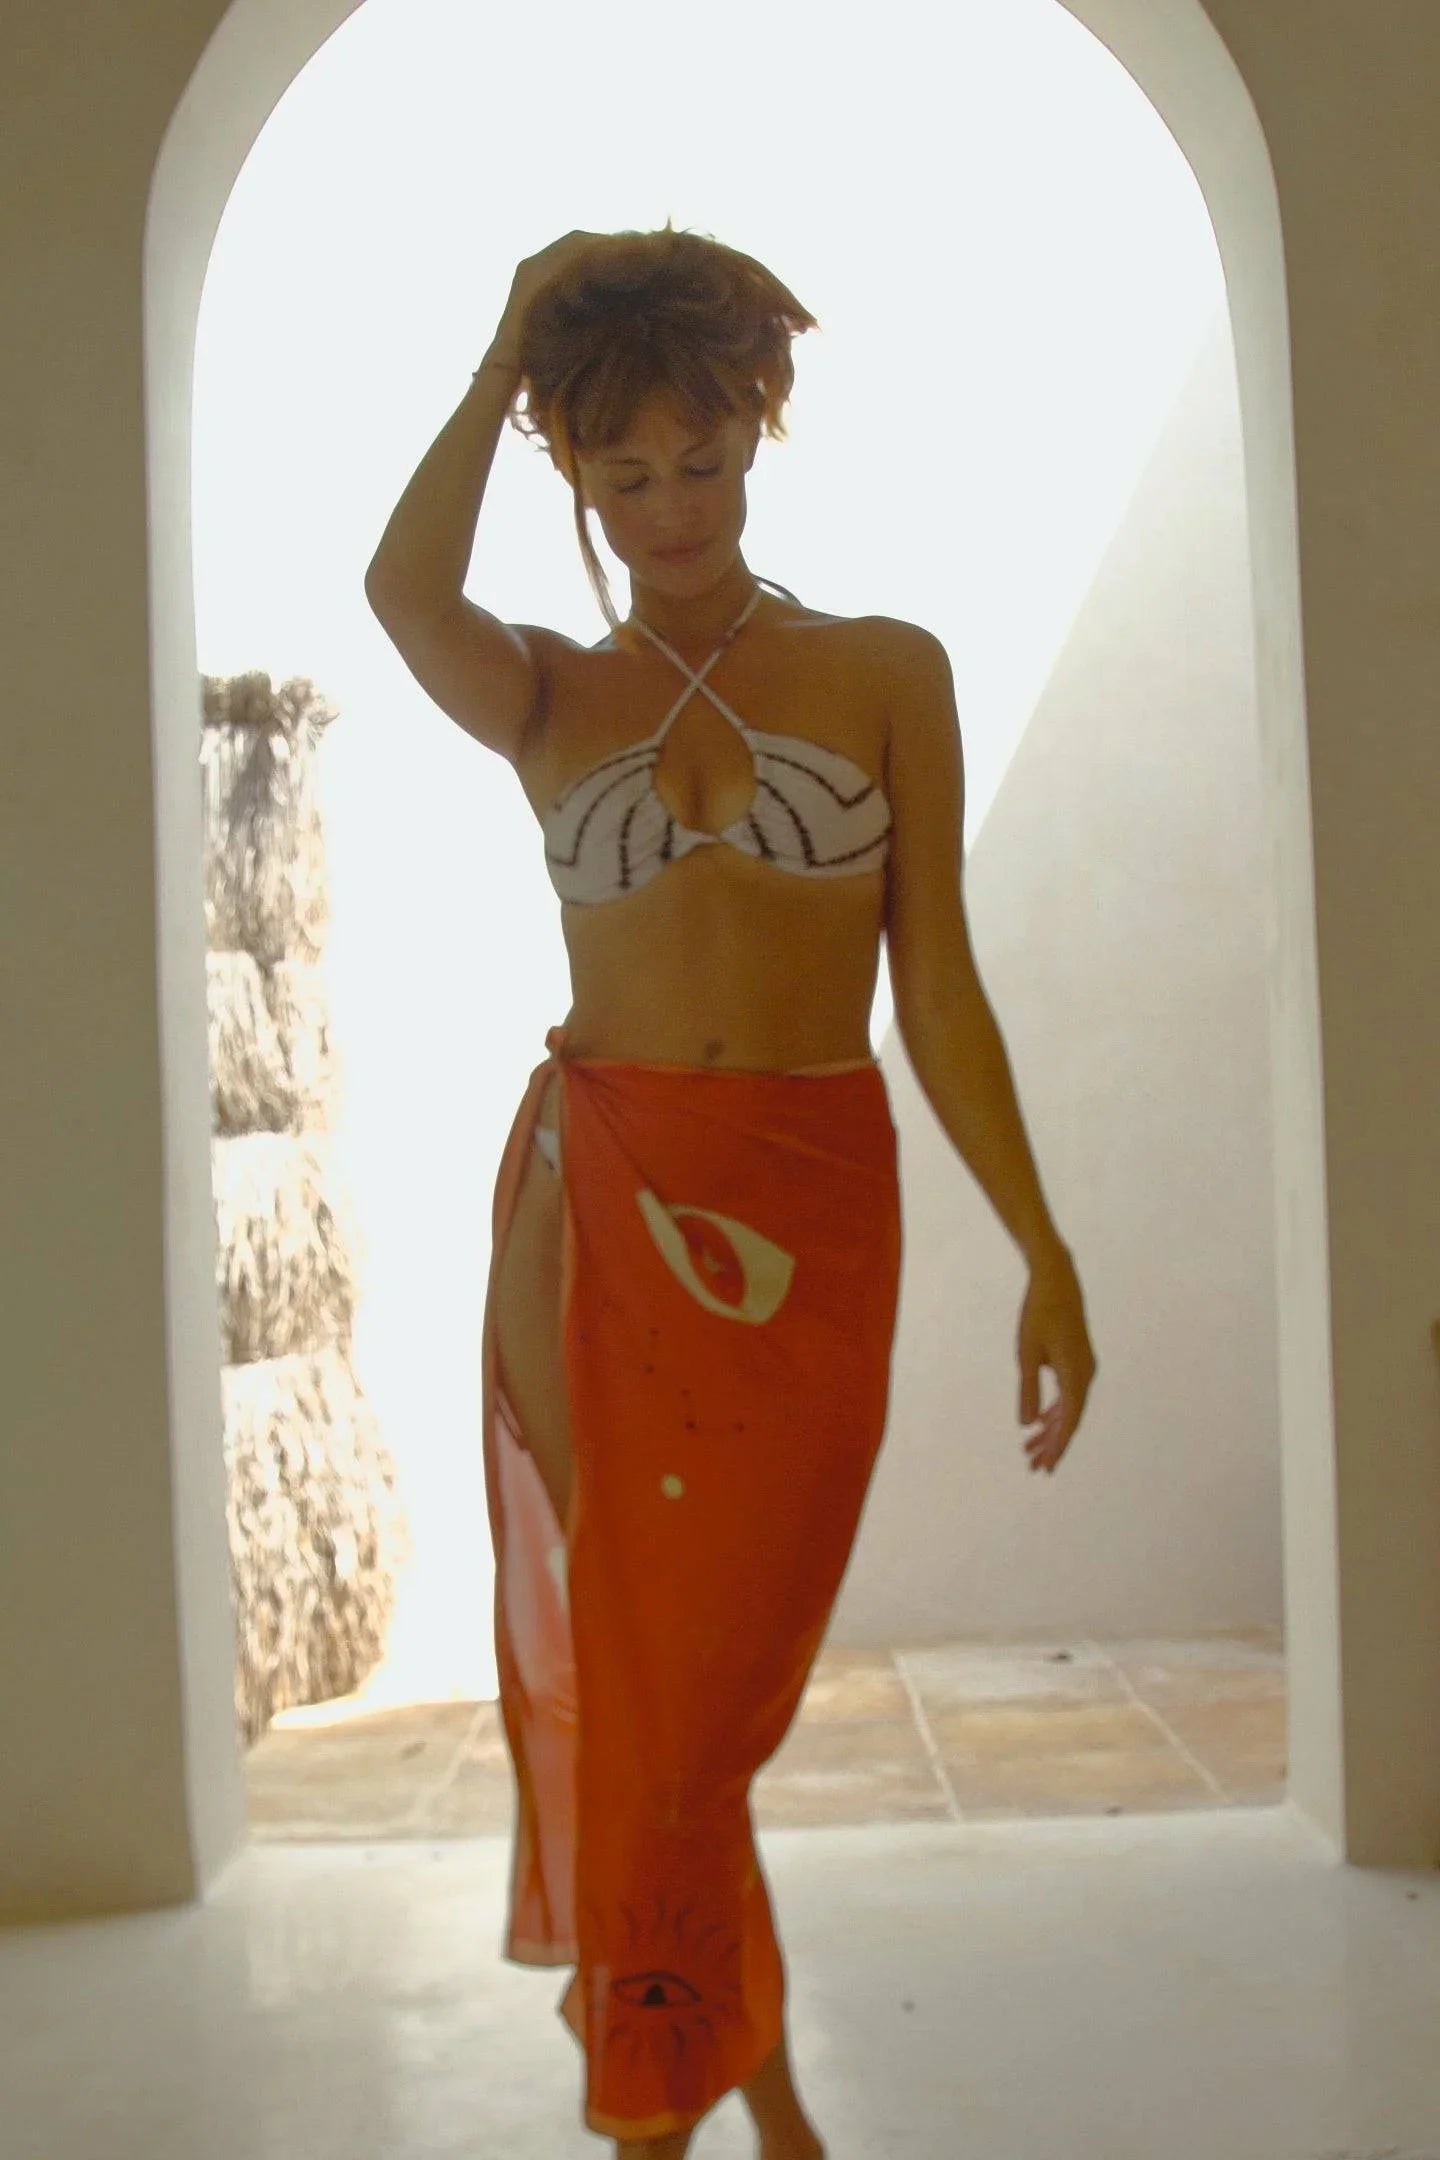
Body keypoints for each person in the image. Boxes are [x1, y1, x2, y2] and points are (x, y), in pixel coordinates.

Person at [364, 222, 1098, 2160]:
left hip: (805, 1224)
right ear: (572, 472)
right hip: (592, 1216)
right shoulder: (546, 692)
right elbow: (399, 587)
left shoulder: (884, 671)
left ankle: (741, 2094)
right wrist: (505, 346)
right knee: (652, 1696)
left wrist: (1041, 1243)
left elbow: (937, 986)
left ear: (761, 428)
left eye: (703, 459)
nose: (673, 508)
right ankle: (683, 2116)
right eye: (623, 476)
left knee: (699, 1704)